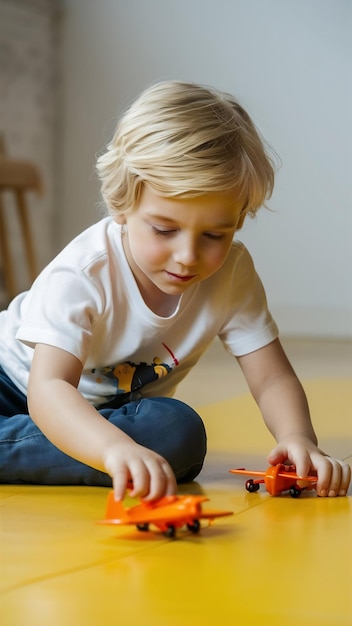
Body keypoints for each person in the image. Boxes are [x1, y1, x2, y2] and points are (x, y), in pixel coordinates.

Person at [0, 81, 350, 501]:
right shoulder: (83, 273)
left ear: (238, 222)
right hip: (18, 386)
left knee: (176, 433)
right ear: (121, 206)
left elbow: (272, 376)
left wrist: (300, 439)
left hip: (103, 413)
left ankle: (57, 449)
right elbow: (50, 388)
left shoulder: (232, 275)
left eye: (214, 235)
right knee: (133, 447)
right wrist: (116, 449)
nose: (187, 256)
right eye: (165, 229)